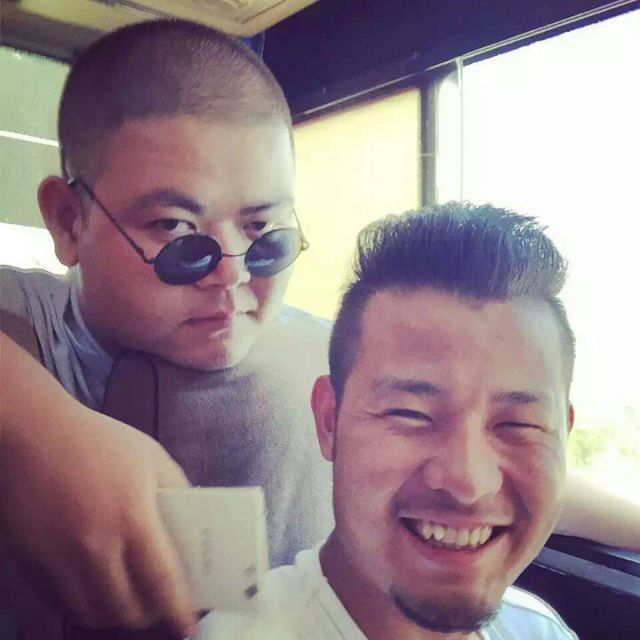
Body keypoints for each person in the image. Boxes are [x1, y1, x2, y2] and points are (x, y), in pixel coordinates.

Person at [0, 16, 637, 640]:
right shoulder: (26, 317)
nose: (231, 275)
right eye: (174, 229)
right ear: (68, 220)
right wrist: (35, 425)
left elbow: (499, 449)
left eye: (262, 230)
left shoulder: (333, 356)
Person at [196, 203, 580, 640]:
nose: (468, 481)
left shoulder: (538, 629)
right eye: (410, 414)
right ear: (329, 421)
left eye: (520, 425)